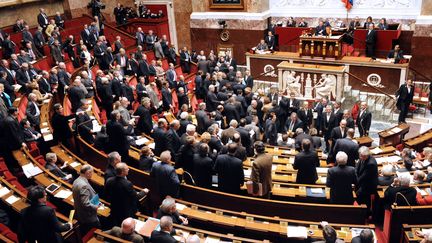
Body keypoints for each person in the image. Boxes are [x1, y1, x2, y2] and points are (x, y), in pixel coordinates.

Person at [72, 165, 101, 235]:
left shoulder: (76, 180)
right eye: (92, 173)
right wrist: (96, 207)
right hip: (88, 216)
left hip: (80, 212)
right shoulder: (83, 185)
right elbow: (86, 204)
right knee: (96, 232)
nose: (92, 174)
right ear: (88, 173)